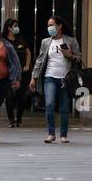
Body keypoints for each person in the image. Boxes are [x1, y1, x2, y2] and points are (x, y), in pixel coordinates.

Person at [29, 15, 83, 144]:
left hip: (66, 79)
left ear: (59, 26)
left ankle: (63, 134)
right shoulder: (46, 42)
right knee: (49, 104)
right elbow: (40, 60)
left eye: (52, 25)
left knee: (64, 107)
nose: (50, 28)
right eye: (48, 26)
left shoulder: (70, 40)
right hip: (50, 77)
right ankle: (51, 133)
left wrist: (70, 55)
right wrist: (34, 77)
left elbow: (79, 58)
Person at [3, 19, 32, 127]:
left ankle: (19, 119)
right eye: (15, 26)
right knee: (9, 96)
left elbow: (28, 53)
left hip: (22, 72)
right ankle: (11, 119)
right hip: (9, 73)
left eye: (17, 26)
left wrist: (27, 66)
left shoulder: (21, 40)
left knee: (21, 97)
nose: (16, 28)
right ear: (9, 28)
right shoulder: (4, 41)